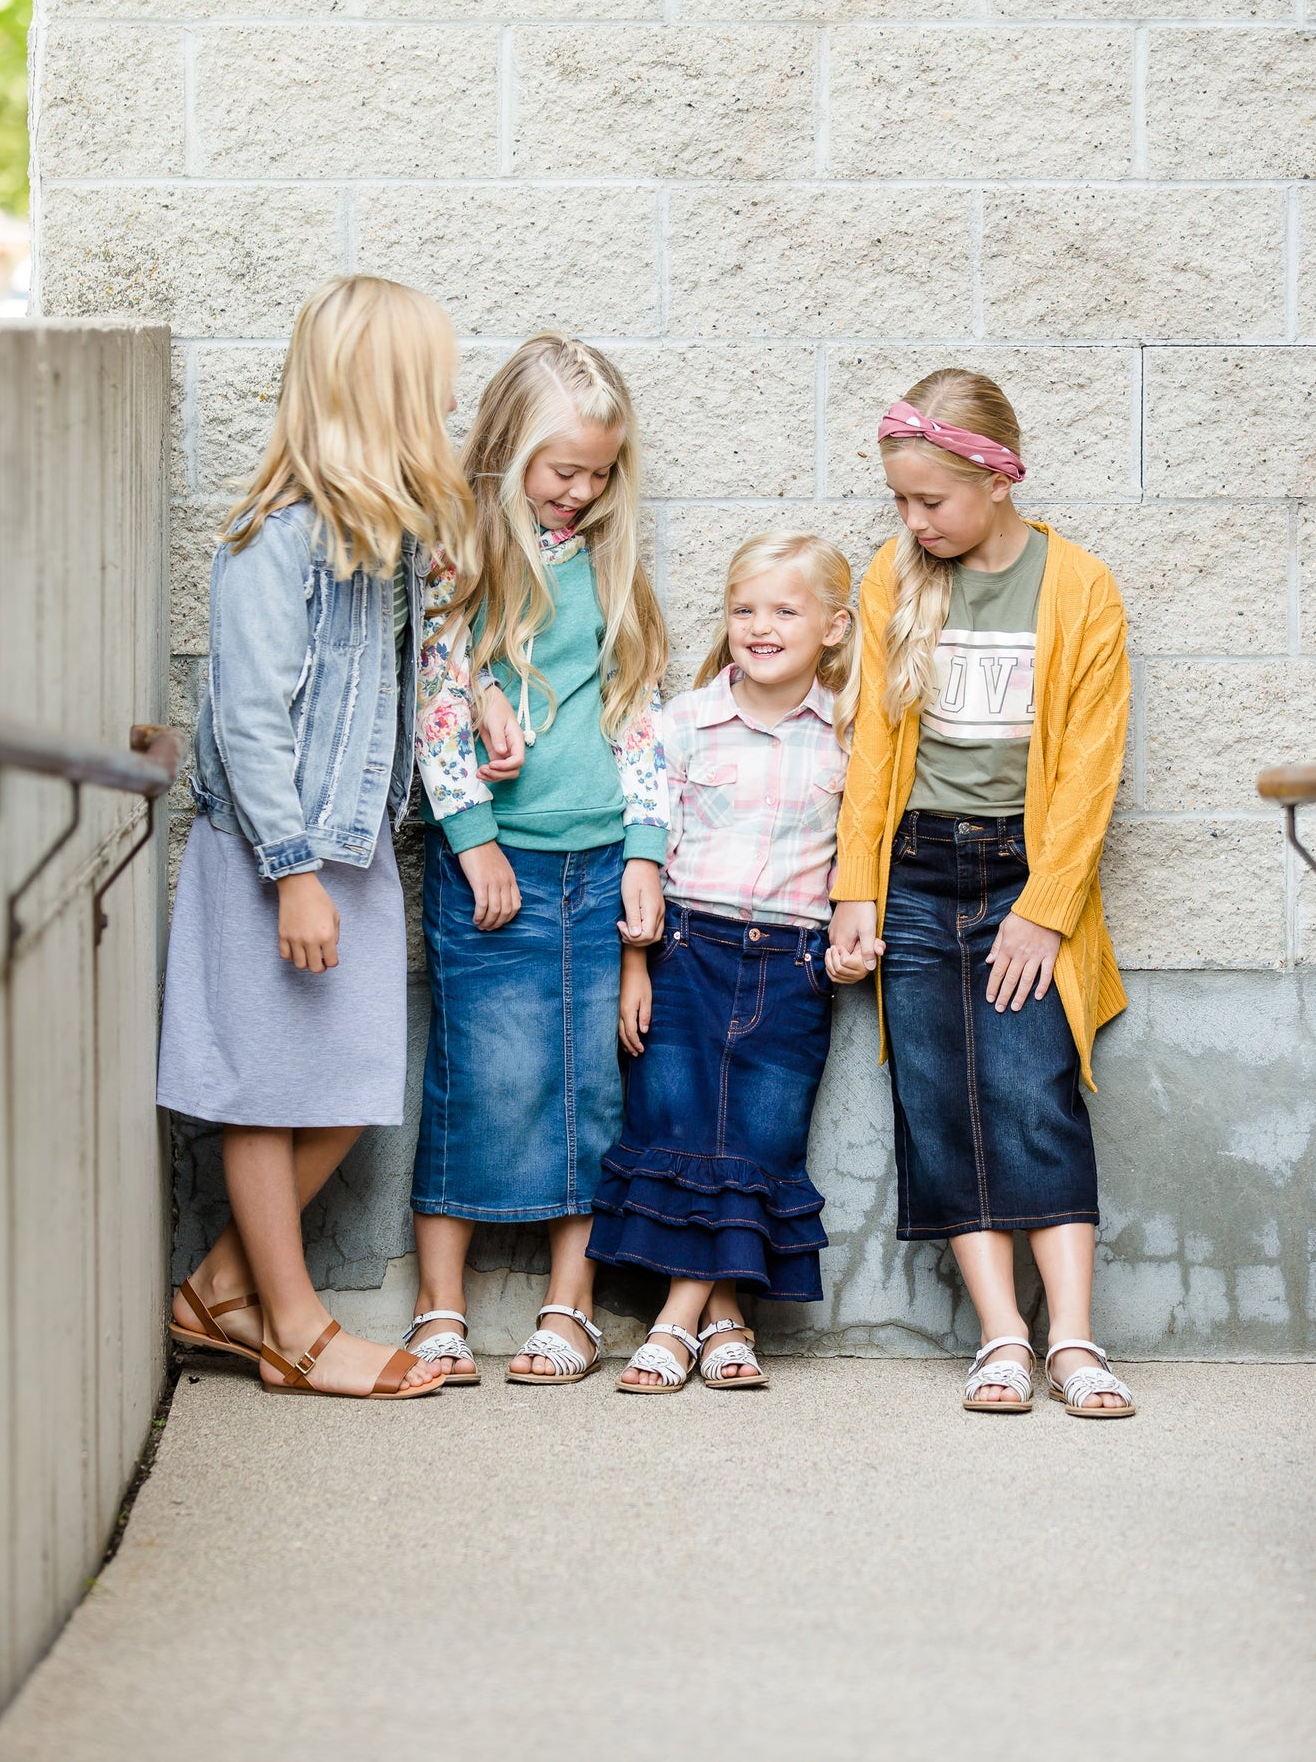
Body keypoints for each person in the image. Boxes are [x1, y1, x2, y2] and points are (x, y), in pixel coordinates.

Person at [158, 273, 516, 1400]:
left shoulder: (389, 537)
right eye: (433, 387)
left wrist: (475, 702)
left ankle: (220, 1290)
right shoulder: (277, 539)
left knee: (350, 1085)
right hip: (281, 854)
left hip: (348, 847)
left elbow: (407, 674)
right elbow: (251, 716)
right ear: (385, 397)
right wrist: (293, 874)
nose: (448, 405)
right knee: (268, 1087)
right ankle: (293, 1328)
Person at [829, 371, 1136, 1419]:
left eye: (931, 502)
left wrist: (1044, 906)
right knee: (938, 1101)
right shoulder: (891, 576)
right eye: (900, 502)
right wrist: (852, 890)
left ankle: (1074, 1340)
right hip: (913, 870)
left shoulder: (1078, 587)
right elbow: (872, 745)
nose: (913, 521)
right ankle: (1000, 1336)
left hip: (1023, 874)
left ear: (996, 479)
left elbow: (1091, 767)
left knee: (1029, 1089)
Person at [405, 332, 668, 1388]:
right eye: (564, 470)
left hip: (599, 860)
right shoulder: (455, 555)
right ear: (508, 447)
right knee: (479, 1073)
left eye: (601, 473)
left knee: (588, 1081)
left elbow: (638, 715)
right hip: (496, 862)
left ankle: (571, 1302)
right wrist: (471, 840)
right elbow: (432, 702)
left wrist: (645, 850)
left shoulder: (608, 563)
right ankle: (440, 1303)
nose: (581, 490)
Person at [589, 532, 860, 1393]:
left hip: (791, 962)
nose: (760, 625)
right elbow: (647, 858)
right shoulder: (680, 723)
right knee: (675, 1131)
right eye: (744, 608)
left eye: (784, 609)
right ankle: (718, 1318)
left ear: (835, 626)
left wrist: (850, 944)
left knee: (756, 1142)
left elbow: (864, 854)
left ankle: (684, 1319)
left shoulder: (850, 736)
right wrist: (635, 966)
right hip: (685, 952)